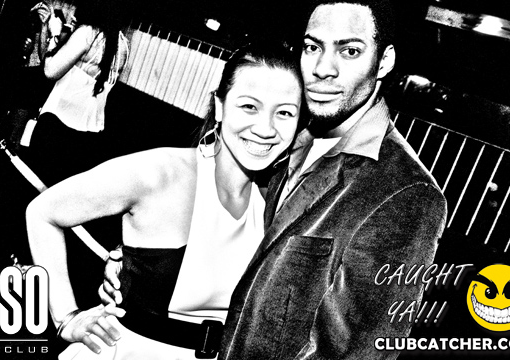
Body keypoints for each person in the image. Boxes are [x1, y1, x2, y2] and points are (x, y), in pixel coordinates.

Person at [101, 0, 447, 360]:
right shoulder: (280, 141)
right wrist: (144, 265)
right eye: (312, 47)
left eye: (349, 51)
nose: (322, 69)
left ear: (384, 61)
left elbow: (358, 351)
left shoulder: (405, 192)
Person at [26, 42, 305, 360]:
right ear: (220, 106)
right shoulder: (161, 173)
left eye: (284, 112)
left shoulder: (274, 205)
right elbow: (44, 212)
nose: (266, 128)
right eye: (249, 106)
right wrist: (67, 317)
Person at [27, 0, 130, 186]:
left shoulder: (87, 34)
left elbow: (49, 71)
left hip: (58, 127)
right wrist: (49, 30)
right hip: (88, 137)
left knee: (32, 188)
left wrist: (55, 34)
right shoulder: (123, 45)